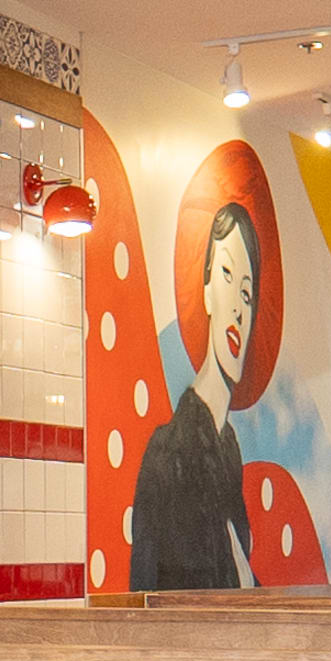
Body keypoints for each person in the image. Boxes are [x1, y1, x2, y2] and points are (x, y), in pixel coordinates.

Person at [129, 198, 262, 588]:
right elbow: (144, 591)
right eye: (225, 274)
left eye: (247, 293)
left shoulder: (228, 446)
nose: (237, 309)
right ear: (205, 291)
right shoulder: (168, 449)